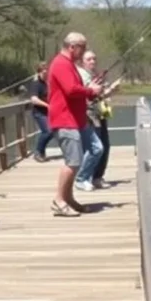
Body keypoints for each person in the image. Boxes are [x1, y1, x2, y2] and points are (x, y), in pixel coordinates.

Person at [46, 32, 103, 217]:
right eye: (82, 47)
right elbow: (71, 90)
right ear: (72, 46)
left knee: (75, 162)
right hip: (64, 120)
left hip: (74, 120)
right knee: (73, 162)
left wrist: (91, 90)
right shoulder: (61, 64)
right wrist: (89, 89)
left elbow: (76, 90)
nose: (84, 51)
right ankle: (58, 200)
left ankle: (68, 198)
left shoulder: (69, 65)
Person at [76, 50, 121, 190]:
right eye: (89, 59)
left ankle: (97, 177)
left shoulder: (94, 76)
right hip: (89, 115)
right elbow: (85, 95)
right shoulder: (80, 75)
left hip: (99, 113)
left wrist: (111, 90)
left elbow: (98, 96)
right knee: (95, 147)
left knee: (105, 146)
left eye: (94, 59)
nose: (92, 62)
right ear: (82, 61)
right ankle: (85, 177)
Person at [28, 62, 53, 162]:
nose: (46, 72)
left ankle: (41, 152)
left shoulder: (47, 83)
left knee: (52, 132)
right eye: (43, 71)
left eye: (47, 70)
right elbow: (34, 99)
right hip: (39, 112)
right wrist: (47, 105)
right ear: (39, 72)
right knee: (48, 131)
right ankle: (38, 152)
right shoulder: (36, 84)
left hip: (48, 112)